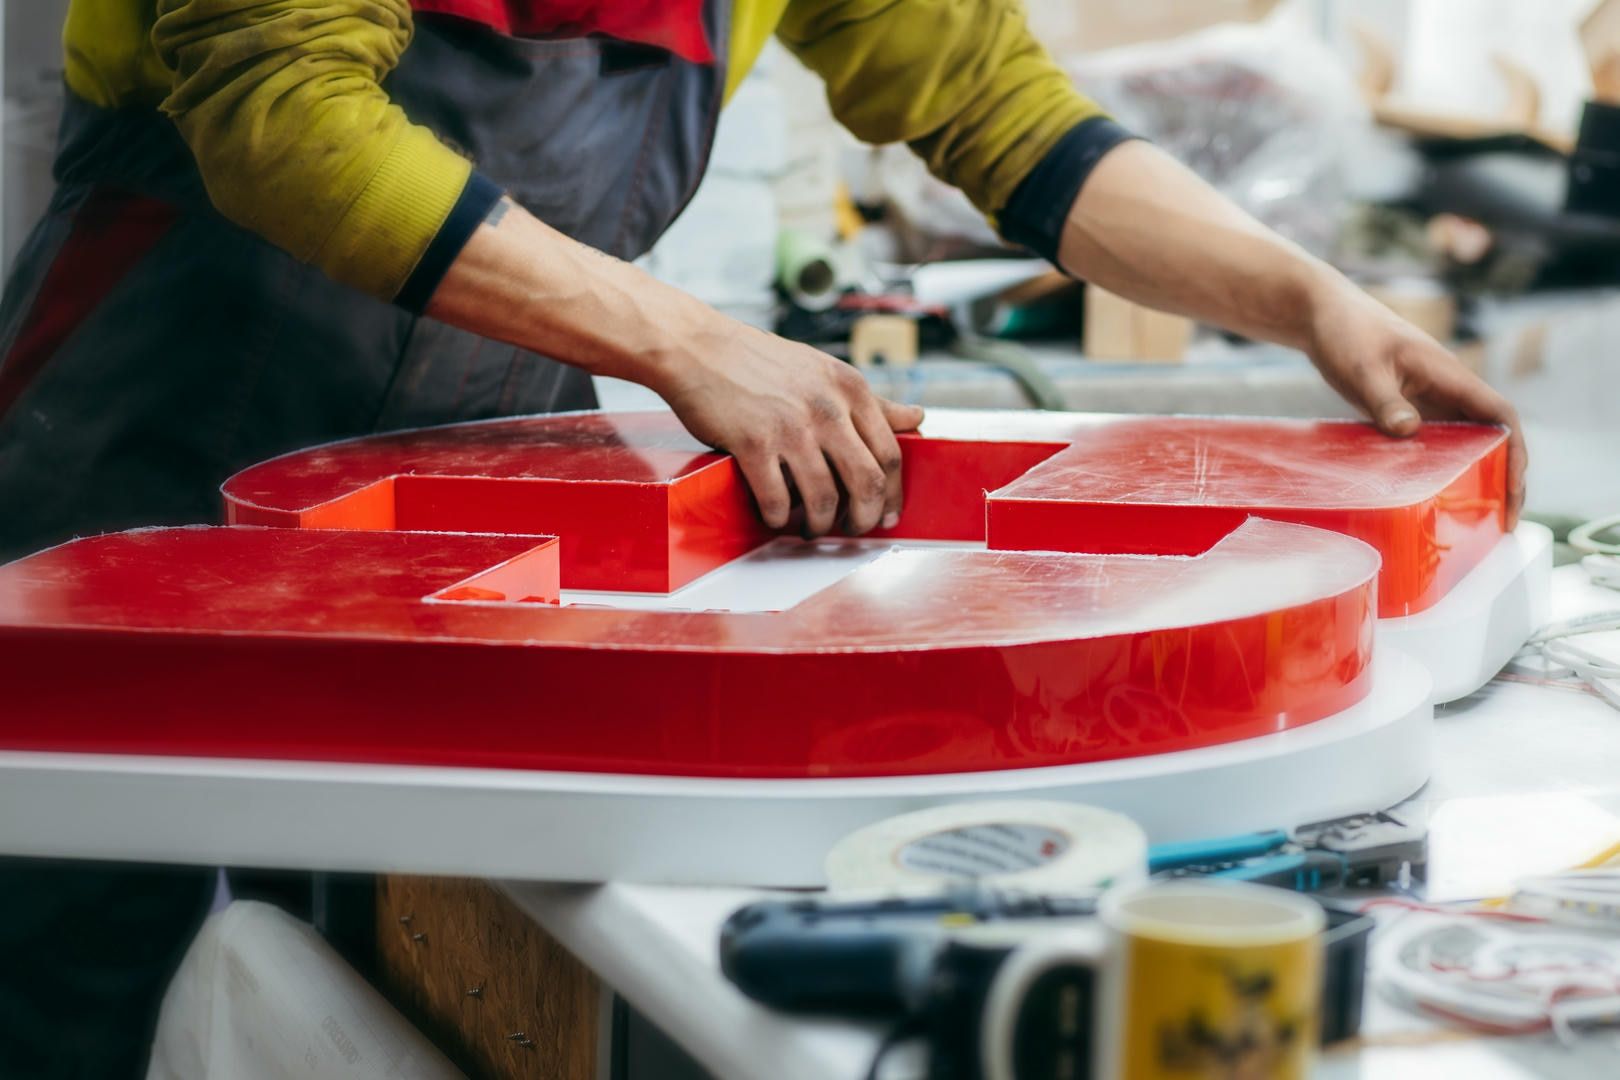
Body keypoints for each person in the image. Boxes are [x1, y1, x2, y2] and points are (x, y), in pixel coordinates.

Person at [0, 0, 1525, 1074]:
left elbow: (1001, 109)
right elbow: (282, 113)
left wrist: (1306, 294)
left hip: (477, 483)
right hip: (152, 426)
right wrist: (689, 342)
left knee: (398, 935)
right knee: (61, 950)